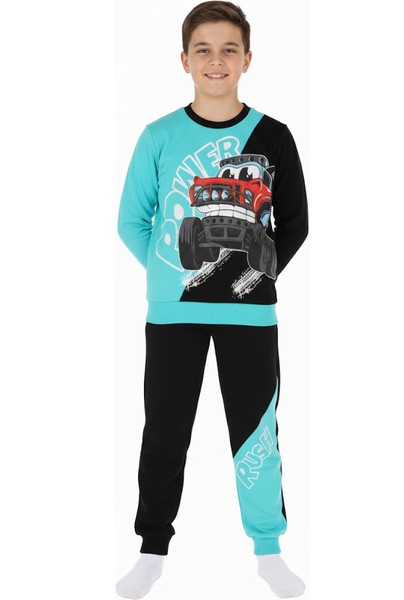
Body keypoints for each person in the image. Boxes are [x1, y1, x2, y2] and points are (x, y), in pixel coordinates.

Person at [116, 1, 308, 598]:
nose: (216, 60)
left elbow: (294, 224)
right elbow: (131, 221)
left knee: (257, 435)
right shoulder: (158, 135)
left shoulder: (274, 137)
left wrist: (255, 273)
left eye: (229, 49)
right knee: (164, 430)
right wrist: (168, 274)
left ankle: (268, 549)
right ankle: (152, 549)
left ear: (247, 59)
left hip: (251, 316)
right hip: (172, 313)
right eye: (203, 49)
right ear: (184, 60)